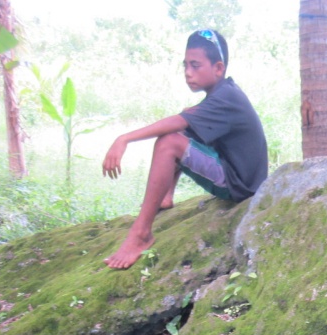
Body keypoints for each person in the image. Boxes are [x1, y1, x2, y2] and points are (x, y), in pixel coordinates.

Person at [102, 29, 268, 269]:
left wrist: (124, 138)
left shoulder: (227, 97)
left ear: (218, 68)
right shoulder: (223, 93)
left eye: (195, 65)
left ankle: (141, 234)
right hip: (234, 174)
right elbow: (185, 121)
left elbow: (178, 123)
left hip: (240, 186)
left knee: (169, 142)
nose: (188, 73)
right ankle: (166, 196)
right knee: (184, 128)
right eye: (185, 66)